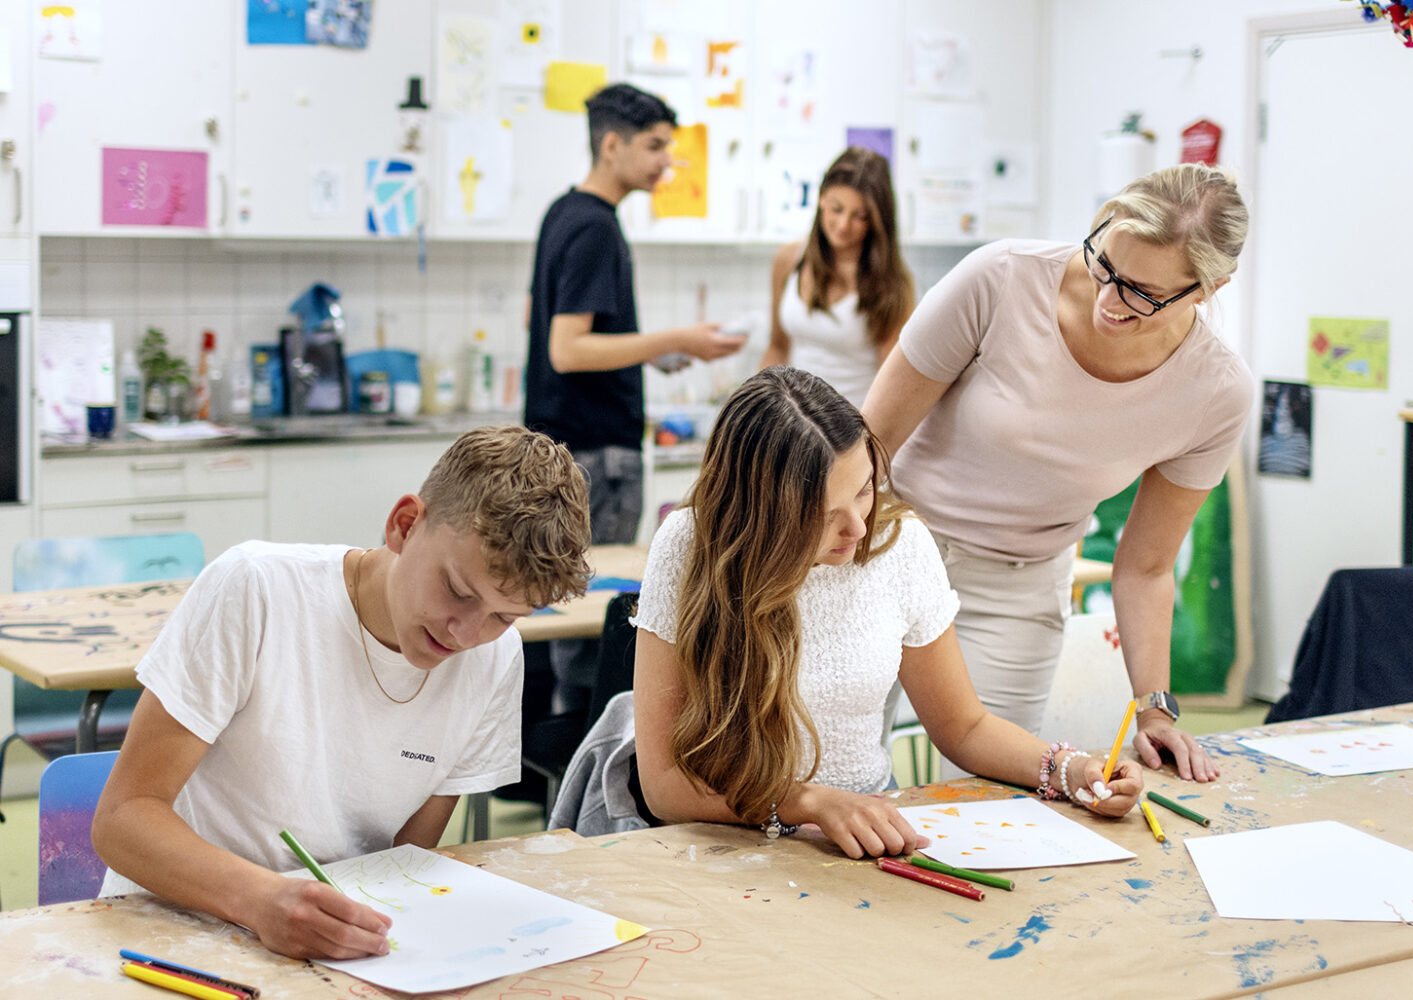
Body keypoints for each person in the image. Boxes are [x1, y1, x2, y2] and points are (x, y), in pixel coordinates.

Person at [92, 426, 593, 961]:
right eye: (458, 591)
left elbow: (401, 865)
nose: (465, 634)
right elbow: (123, 818)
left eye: (503, 616)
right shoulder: (256, 589)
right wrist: (262, 901)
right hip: (170, 931)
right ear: (405, 525)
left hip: (320, 949)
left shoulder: (494, 658)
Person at [632, 368, 1143, 859]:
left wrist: (1068, 768)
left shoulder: (900, 546)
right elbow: (663, 787)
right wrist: (804, 801)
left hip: (868, 834)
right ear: (757, 515)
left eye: (863, 489)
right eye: (823, 515)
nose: (857, 527)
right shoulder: (688, 545)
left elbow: (963, 727)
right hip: (727, 842)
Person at [863, 163, 1254, 784]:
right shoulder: (1001, 277)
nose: (1108, 300)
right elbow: (870, 442)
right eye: (1106, 265)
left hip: (1016, 587)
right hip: (884, 553)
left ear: (1208, 289)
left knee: (985, 798)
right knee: (835, 774)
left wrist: (1155, 711)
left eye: (1143, 293)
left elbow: (1147, 565)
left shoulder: (1215, 391)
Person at [525, 81, 747, 712]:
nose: (665, 162)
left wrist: (654, 350)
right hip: (597, 457)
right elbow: (567, 349)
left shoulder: (563, 213)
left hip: (563, 446)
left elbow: (547, 328)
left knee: (567, 622)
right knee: (592, 638)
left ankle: (563, 771)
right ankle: (593, 779)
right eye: (654, 147)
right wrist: (674, 338)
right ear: (612, 144)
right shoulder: (596, 228)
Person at [759, 146, 915, 406]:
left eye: (859, 216)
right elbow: (777, 347)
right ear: (821, 199)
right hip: (795, 429)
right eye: (836, 208)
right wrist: (756, 410)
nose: (843, 225)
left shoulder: (890, 284)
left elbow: (893, 385)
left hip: (854, 431)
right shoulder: (788, 260)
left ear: (877, 221)